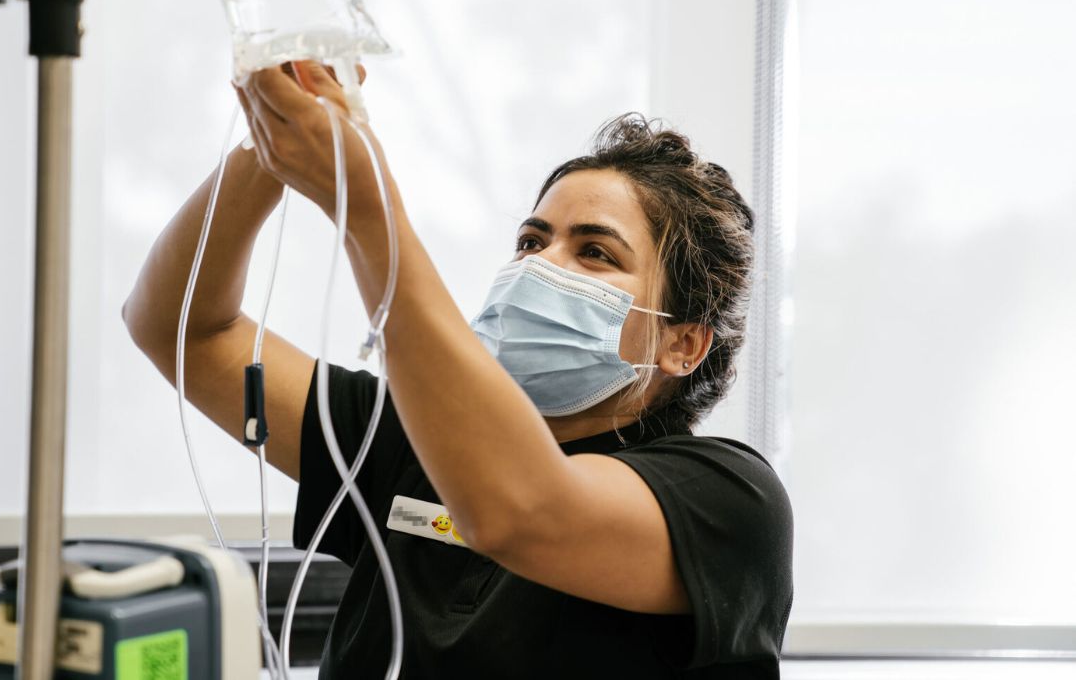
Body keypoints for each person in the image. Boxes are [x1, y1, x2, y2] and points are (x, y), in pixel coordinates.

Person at [123, 62, 793, 679]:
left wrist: (368, 208)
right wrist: (275, 142)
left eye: (594, 252)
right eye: (531, 241)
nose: (539, 265)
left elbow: (519, 512)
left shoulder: (728, 501)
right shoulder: (409, 439)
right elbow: (182, 328)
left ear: (683, 343)